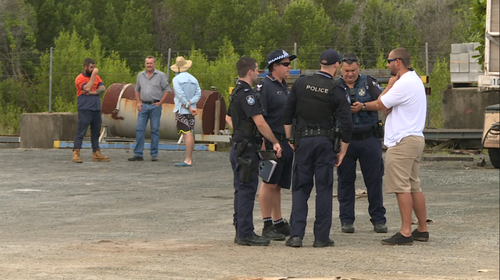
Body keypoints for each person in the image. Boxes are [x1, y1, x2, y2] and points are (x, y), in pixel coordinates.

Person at [283, 49, 353, 248]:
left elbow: (287, 114)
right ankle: (321, 237)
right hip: (324, 143)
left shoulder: (301, 83)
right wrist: (343, 150)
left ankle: (296, 235)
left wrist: (291, 138)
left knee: (300, 189)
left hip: (303, 141)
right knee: (323, 189)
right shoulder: (336, 88)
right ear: (337, 65)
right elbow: (347, 123)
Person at [226, 57, 282, 246]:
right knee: (247, 190)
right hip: (246, 149)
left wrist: (239, 132)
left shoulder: (235, 92)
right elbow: (259, 122)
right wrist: (274, 141)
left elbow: (228, 117)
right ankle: (245, 233)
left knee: (240, 190)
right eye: (257, 70)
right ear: (250, 72)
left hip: (238, 146)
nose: (258, 73)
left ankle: (240, 229)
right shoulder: (247, 94)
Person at [376, 47, 428, 245]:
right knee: (414, 185)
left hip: (402, 141)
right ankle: (422, 229)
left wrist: (388, 85)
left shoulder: (401, 82)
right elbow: (389, 106)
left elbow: (381, 103)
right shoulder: (415, 79)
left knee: (401, 187)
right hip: (415, 137)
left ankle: (406, 232)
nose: (388, 65)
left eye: (388, 61)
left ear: (397, 62)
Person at [337, 53, 387, 234]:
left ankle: (378, 219)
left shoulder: (368, 83)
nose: (349, 74)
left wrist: (363, 106)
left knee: (374, 180)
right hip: (345, 141)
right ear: (340, 69)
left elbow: (383, 102)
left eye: (353, 70)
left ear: (359, 67)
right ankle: (347, 220)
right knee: (345, 181)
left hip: (369, 138)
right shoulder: (336, 86)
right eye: (346, 71)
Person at [255, 50, 296, 241]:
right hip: (272, 140)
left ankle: (278, 221)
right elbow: (259, 117)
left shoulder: (284, 86)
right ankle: (266, 224)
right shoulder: (264, 86)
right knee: (268, 182)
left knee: (278, 184)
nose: (289, 67)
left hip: (284, 140)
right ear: (275, 66)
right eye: (286, 64)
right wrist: (266, 142)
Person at [128, 56, 171, 162]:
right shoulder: (140, 76)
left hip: (155, 105)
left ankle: (154, 154)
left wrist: (160, 102)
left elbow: (167, 89)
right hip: (144, 105)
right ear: (145, 64)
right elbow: (137, 89)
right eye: (147, 63)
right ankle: (138, 154)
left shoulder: (161, 75)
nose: (149, 65)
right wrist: (138, 102)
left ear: (155, 64)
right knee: (139, 129)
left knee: (155, 129)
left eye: (151, 63)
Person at [72, 57, 109, 163]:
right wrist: (93, 76)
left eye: (94, 67)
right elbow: (86, 88)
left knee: (96, 131)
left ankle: (96, 152)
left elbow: (102, 88)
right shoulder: (80, 78)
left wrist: (93, 93)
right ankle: (76, 152)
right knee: (81, 131)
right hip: (85, 108)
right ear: (85, 67)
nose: (94, 70)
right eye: (91, 67)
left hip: (96, 108)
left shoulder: (97, 77)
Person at [171, 56, 202, 167]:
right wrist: (191, 102)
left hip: (182, 109)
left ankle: (188, 159)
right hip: (192, 110)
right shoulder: (194, 79)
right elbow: (198, 94)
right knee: (190, 133)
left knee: (186, 134)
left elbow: (179, 95)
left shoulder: (176, 79)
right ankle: (188, 157)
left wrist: (187, 104)